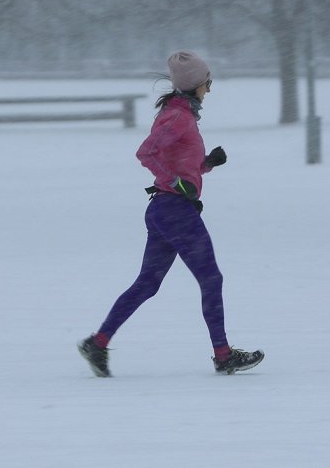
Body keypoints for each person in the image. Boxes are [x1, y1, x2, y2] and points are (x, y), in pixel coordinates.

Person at [79, 50, 263, 377]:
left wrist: (206, 164)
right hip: (174, 210)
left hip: (165, 209)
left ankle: (99, 342)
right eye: (208, 82)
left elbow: (180, 165)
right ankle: (223, 355)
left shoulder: (181, 114)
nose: (210, 88)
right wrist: (176, 183)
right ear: (195, 85)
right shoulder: (178, 117)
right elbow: (146, 152)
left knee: (147, 283)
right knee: (211, 278)